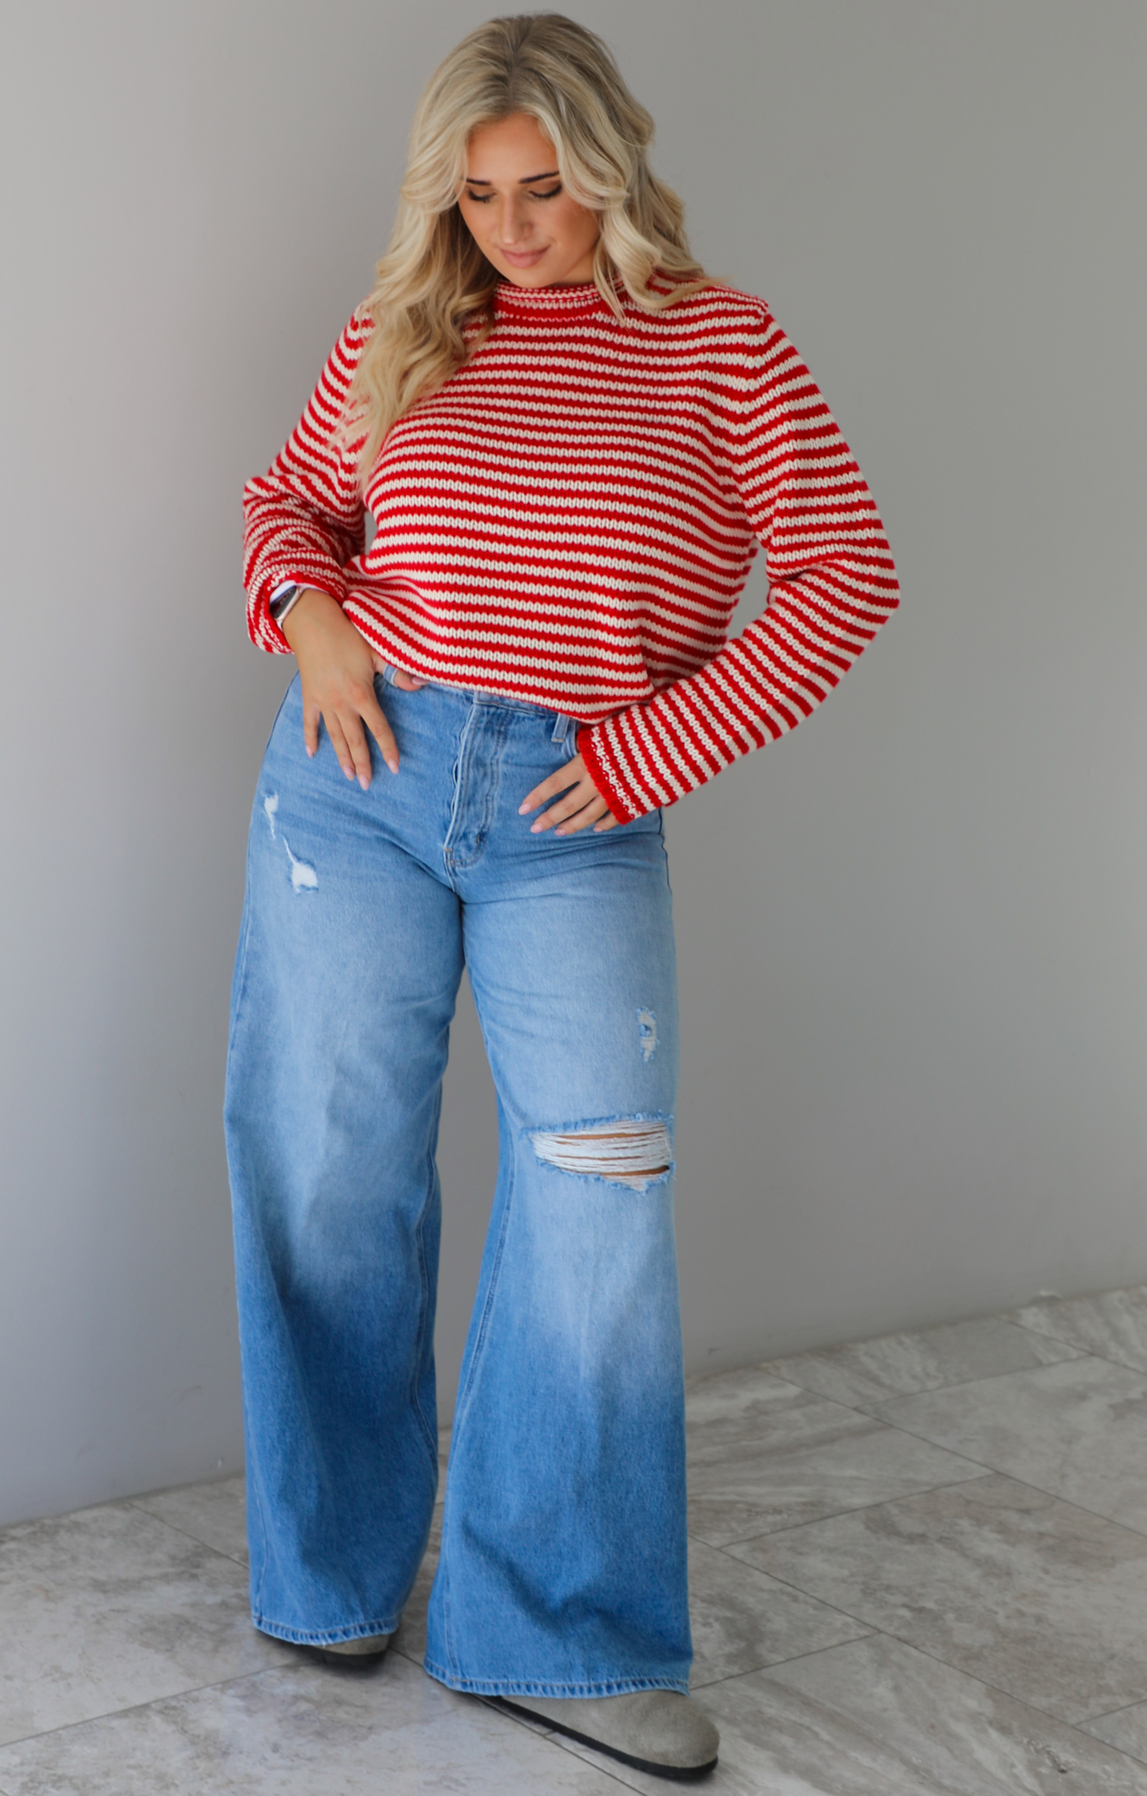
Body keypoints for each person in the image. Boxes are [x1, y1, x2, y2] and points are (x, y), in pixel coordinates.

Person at [226, 12, 898, 1779]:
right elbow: (290, 506)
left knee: (596, 1187)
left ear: (613, 165)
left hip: (574, 805)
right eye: (481, 192)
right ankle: (329, 1582)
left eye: (548, 190)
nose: (516, 228)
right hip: (353, 785)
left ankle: (563, 1634)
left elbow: (845, 575)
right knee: (323, 1168)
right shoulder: (402, 328)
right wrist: (312, 626)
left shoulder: (723, 347)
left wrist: (638, 759)